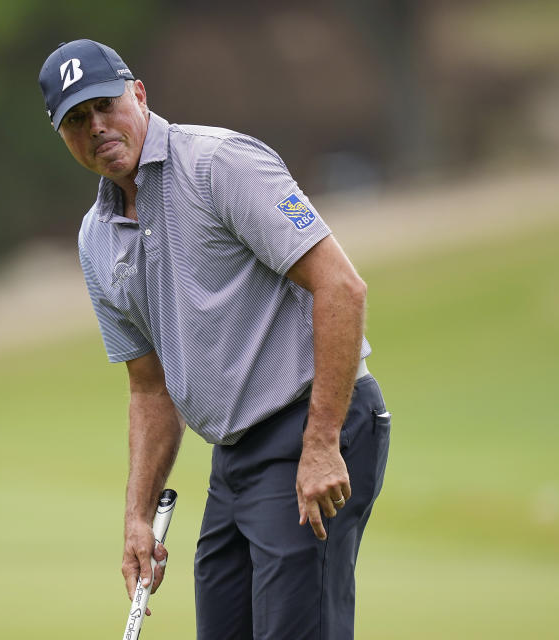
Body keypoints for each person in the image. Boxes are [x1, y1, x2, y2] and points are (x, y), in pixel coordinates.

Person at [38, 39, 391, 640]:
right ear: (63, 136)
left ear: (139, 95)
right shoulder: (96, 238)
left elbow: (341, 288)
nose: (96, 127)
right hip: (234, 460)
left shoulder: (218, 164)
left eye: (105, 105)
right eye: (76, 120)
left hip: (310, 426)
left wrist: (323, 441)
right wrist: (136, 518)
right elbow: (151, 389)